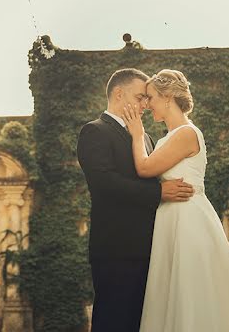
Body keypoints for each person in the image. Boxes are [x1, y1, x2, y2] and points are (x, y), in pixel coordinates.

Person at [123, 69, 229, 331]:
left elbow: (145, 168)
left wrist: (136, 133)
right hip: (171, 216)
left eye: (151, 97)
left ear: (167, 97)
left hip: (187, 218)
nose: (147, 104)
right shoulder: (168, 137)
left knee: (191, 290)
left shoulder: (186, 133)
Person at [76, 68, 195, 332]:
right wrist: (159, 192)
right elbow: (104, 184)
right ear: (119, 94)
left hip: (152, 249)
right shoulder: (94, 132)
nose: (145, 104)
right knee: (115, 322)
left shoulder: (148, 138)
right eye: (141, 97)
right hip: (118, 251)